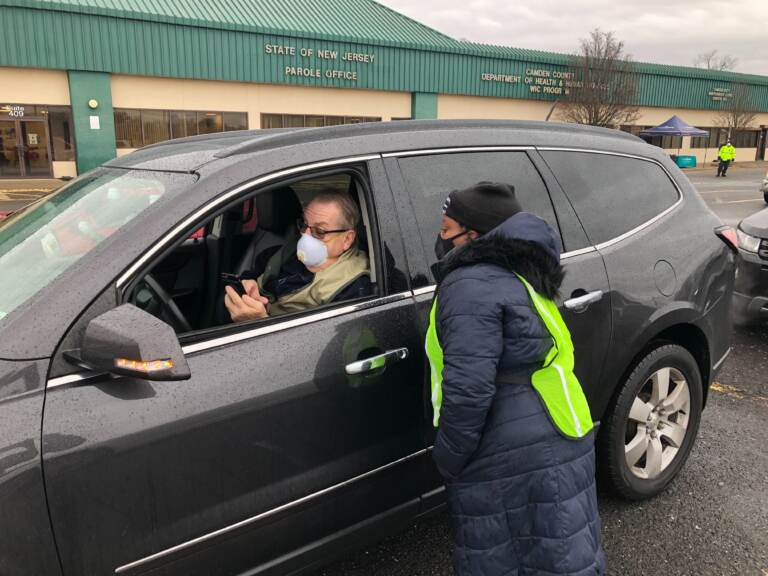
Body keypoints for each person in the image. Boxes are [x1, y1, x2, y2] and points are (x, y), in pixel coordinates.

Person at [426, 182, 605, 576]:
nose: (439, 238)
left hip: (510, 452)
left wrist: (449, 458)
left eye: (445, 228)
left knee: (506, 559)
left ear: (472, 235)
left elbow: (470, 390)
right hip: (559, 430)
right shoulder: (519, 270)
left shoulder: (469, 284)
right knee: (563, 551)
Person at [224, 191, 371, 322]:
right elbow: (243, 281)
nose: (305, 236)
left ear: (347, 239)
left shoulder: (354, 290)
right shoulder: (278, 255)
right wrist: (245, 289)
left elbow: (322, 346)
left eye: (319, 231)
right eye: (304, 224)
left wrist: (260, 321)